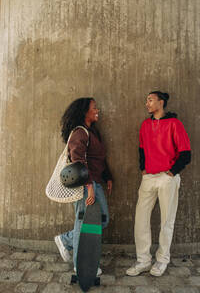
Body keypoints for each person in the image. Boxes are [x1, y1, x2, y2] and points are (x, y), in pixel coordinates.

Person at [126, 91, 191, 277]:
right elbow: (141, 149)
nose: (147, 103)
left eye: (150, 100)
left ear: (161, 103)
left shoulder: (174, 124)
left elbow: (186, 153)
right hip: (148, 178)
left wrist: (172, 172)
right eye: (146, 99)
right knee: (141, 219)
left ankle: (162, 260)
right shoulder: (145, 125)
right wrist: (143, 169)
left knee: (166, 221)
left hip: (167, 177)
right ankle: (143, 260)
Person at [54, 97, 113, 276]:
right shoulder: (80, 133)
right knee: (83, 224)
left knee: (102, 220)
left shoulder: (92, 132)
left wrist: (107, 176)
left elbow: (98, 158)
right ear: (84, 112)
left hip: (94, 182)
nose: (97, 110)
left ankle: (66, 240)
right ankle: (82, 266)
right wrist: (88, 187)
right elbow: (78, 161)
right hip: (85, 186)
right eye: (94, 108)